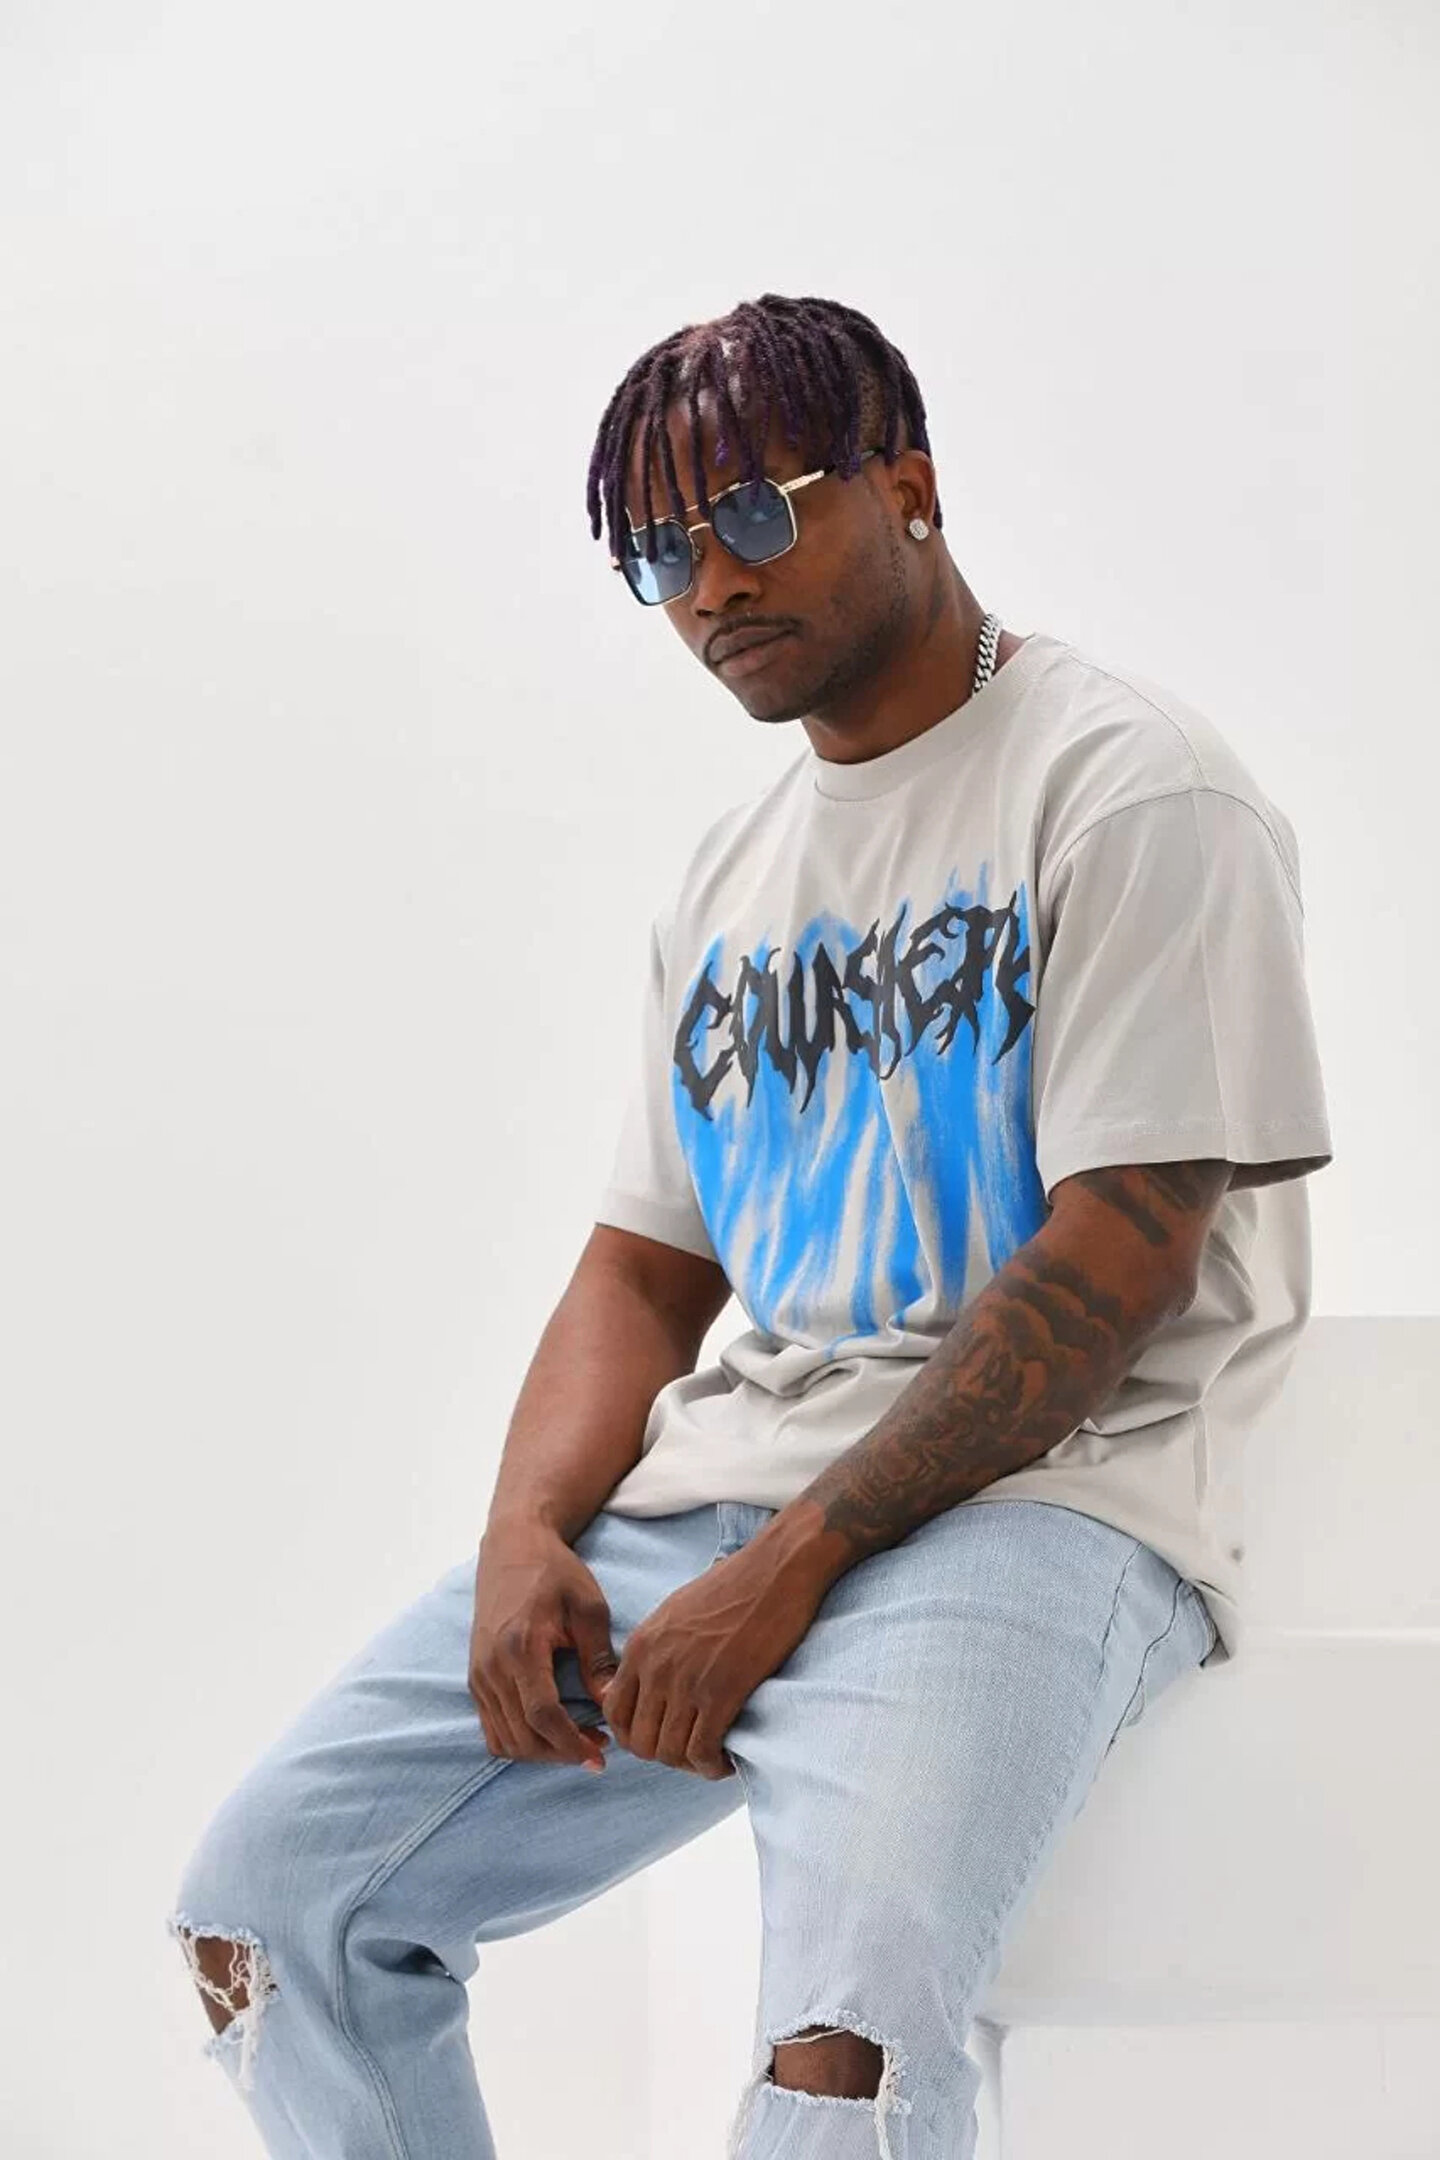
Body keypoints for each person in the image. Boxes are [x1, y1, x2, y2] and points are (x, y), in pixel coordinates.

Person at [167, 291, 1334, 2159]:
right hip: (716, 1510)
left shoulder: (1133, 788)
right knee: (269, 1919)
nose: (709, 584)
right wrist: (525, 1534)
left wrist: (791, 1568)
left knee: (843, 2047)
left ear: (910, 487)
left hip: (1042, 1505)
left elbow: (1122, 1254)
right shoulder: (730, 876)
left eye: (753, 514)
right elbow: (647, 1266)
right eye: (658, 554)